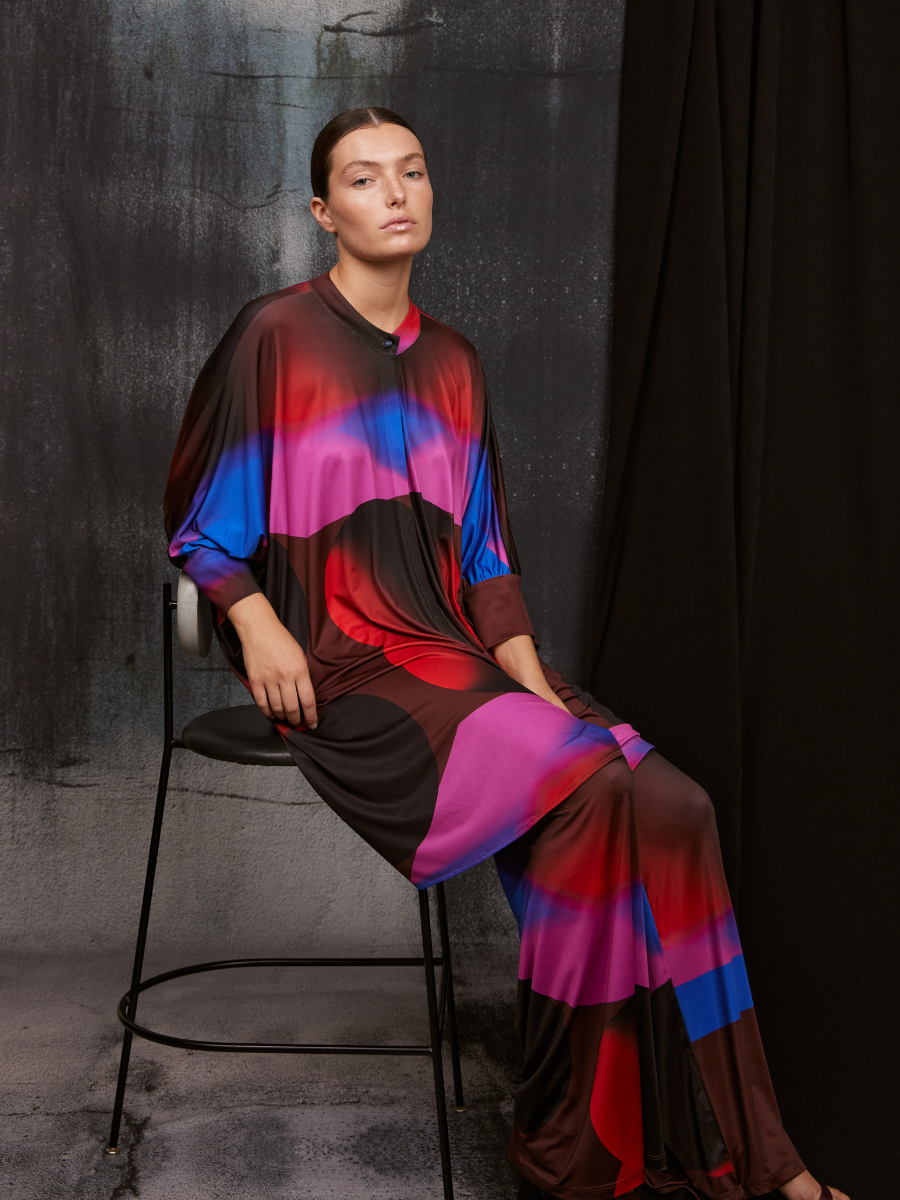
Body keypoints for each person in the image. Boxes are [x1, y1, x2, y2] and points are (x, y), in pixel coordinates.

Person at [164, 107, 847, 1200]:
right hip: (352, 674)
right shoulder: (274, 336)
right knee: (593, 791)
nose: (395, 193)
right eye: (364, 178)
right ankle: (573, 1152)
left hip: (465, 662)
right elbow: (203, 528)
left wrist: (537, 691)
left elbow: (485, 556)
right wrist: (255, 620)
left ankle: (750, 1151)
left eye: (412, 171)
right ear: (323, 210)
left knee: (674, 806)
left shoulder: (456, 363)